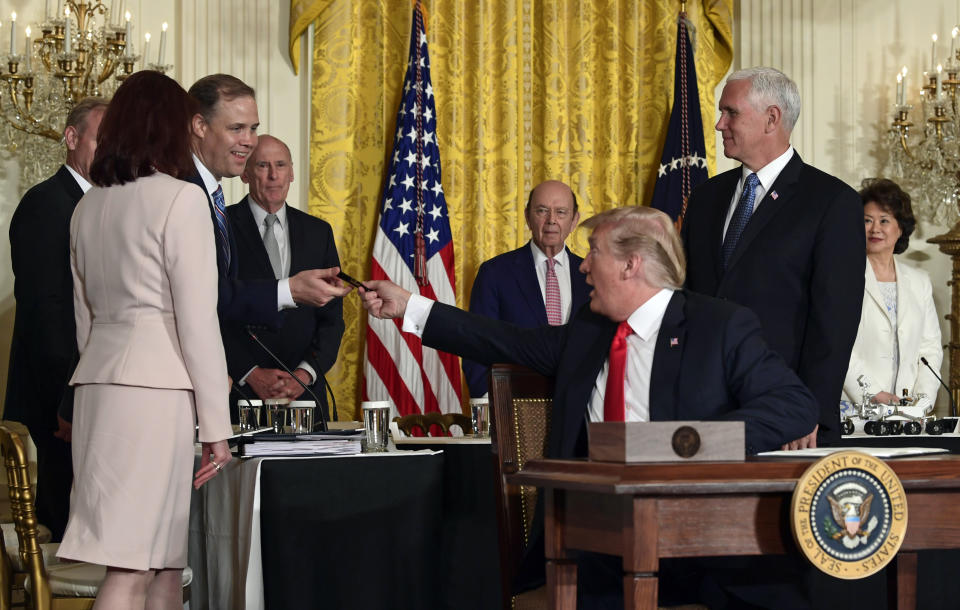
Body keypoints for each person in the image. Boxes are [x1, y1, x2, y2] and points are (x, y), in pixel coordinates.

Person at [56, 71, 233, 609]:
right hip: (154, 394)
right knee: (135, 565)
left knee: (162, 563)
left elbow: (84, 319)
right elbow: (197, 323)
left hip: (98, 385)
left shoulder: (88, 206)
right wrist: (217, 427)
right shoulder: (180, 199)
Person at [681, 66, 864, 448]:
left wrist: (806, 411)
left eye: (730, 112)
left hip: (782, 417)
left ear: (771, 118)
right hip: (701, 412)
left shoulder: (831, 202)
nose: (718, 125)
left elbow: (833, 325)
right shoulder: (704, 200)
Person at [5, 97, 107, 541]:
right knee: (68, 534)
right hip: (59, 406)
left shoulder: (109, 205)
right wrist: (68, 401)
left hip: (94, 394)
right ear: (71, 138)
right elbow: (46, 311)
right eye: (102, 139)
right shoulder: (45, 203)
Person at [187, 74, 350, 327]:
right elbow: (203, 298)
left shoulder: (206, 195)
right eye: (236, 128)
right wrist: (290, 290)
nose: (249, 140)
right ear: (200, 126)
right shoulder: (183, 192)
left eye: (253, 128)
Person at [223, 135, 344, 418]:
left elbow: (332, 318)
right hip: (242, 397)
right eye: (263, 165)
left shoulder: (318, 232)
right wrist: (249, 373)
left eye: (280, 165)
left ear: (291, 172)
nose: (274, 175)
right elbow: (211, 311)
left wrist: (305, 373)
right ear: (245, 173)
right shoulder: (220, 227)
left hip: (306, 399)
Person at [464, 180, 590, 397]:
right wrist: (492, 408)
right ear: (527, 216)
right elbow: (476, 345)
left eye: (561, 212)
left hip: (582, 407)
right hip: (514, 405)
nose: (551, 220)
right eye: (542, 211)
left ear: (574, 219)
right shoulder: (495, 273)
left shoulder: (591, 276)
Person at [842, 179, 942, 405]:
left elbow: (930, 349)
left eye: (884, 220)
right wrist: (872, 393)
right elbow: (837, 343)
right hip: (854, 406)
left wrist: (921, 402)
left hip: (907, 412)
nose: (875, 228)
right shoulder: (842, 277)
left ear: (900, 228)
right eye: (867, 220)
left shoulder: (919, 282)